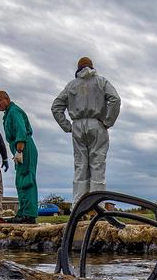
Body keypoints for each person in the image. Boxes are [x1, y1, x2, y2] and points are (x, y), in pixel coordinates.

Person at [51, 56, 120, 205]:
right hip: (97, 124)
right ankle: (97, 206)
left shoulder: (71, 85)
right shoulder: (101, 81)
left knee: (80, 165)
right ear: (92, 67)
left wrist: (67, 126)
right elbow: (115, 99)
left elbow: (56, 107)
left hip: (77, 125)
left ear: (78, 69)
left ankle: (78, 206)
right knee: (98, 164)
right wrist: (108, 121)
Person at [0, 90, 38, 224]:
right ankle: (24, 211)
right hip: (19, 148)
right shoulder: (8, 113)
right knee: (21, 180)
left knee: (26, 179)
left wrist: (19, 150)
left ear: (6, 99)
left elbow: (21, 130)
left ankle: (29, 214)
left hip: (24, 147)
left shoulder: (14, 111)